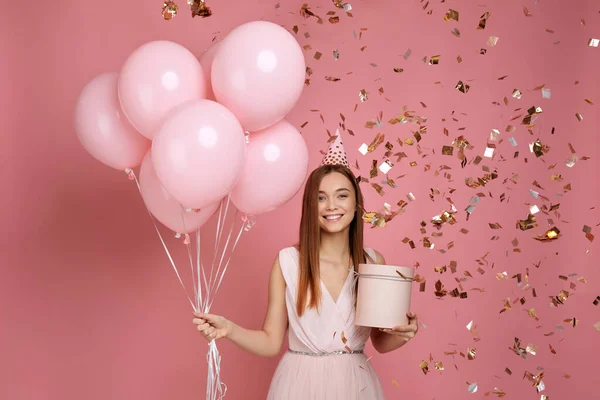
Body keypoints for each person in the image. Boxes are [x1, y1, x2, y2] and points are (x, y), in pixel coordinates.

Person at [192, 132, 419, 399]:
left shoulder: (372, 262)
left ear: (356, 205)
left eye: (342, 196)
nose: (331, 205)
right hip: (299, 385)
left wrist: (405, 333)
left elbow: (380, 341)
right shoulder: (288, 262)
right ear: (310, 205)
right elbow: (270, 341)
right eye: (321, 197)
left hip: (356, 387)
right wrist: (228, 329)